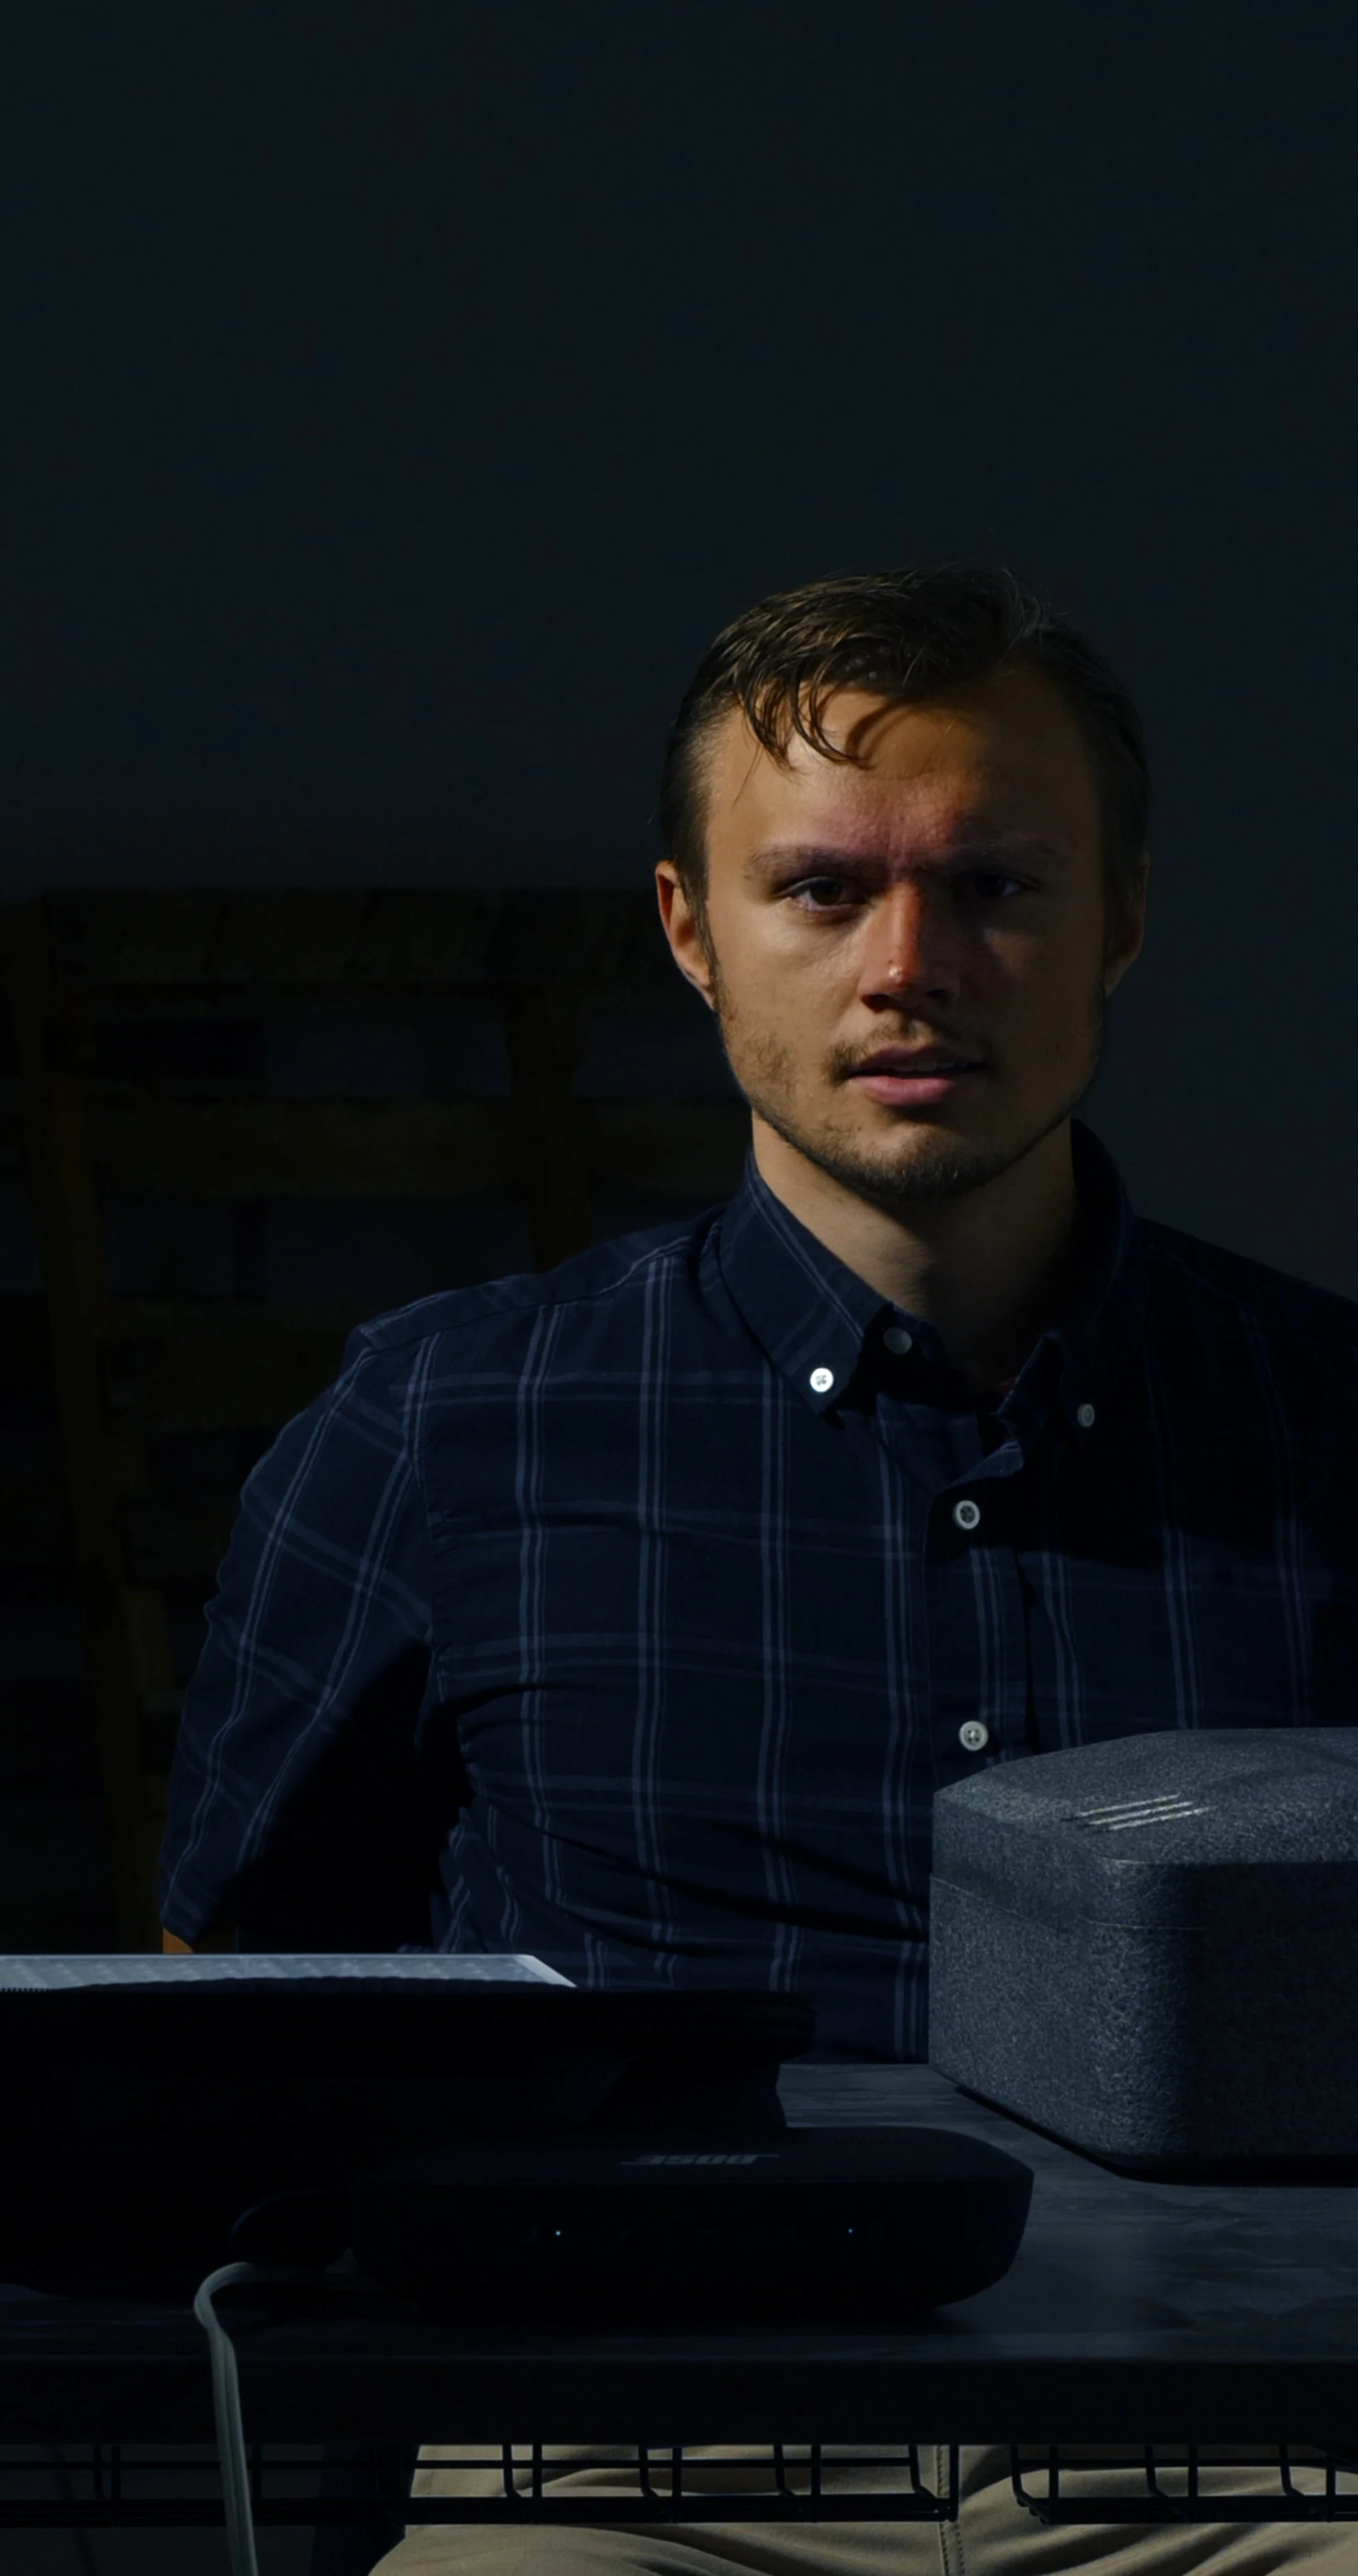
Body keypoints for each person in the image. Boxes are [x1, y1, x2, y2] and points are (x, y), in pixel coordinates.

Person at [158, 565, 1358, 2572]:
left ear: (1121, 921)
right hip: (631, 2456)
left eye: (997, 885)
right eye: (821, 890)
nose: (914, 964)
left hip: (1242, 2452)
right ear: (692, 934)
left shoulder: (1328, 1420)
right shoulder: (451, 1423)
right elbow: (240, 2021)